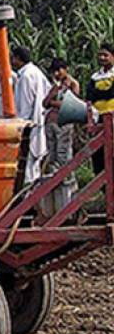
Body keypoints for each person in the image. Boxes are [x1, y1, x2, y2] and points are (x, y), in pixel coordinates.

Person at [42, 58, 80, 210]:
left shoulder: (72, 84)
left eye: (59, 70)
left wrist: (54, 102)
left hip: (64, 124)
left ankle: (68, 199)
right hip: (51, 123)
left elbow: (72, 105)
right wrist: (53, 95)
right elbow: (45, 103)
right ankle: (55, 201)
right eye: (54, 71)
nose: (57, 74)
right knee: (52, 159)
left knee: (63, 157)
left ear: (66, 69)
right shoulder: (55, 87)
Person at [12, 46, 52, 184]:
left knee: (30, 165)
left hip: (30, 126)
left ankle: (29, 198)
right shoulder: (36, 72)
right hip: (39, 122)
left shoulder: (27, 76)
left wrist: (20, 126)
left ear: (18, 58)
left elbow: (25, 104)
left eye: (13, 58)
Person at [86, 43, 114, 174]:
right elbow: (89, 97)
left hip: (112, 117)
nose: (102, 58)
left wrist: (99, 94)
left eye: (106, 55)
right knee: (99, 154)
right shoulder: (95, 77)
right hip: (99, 119)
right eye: (100, 55)